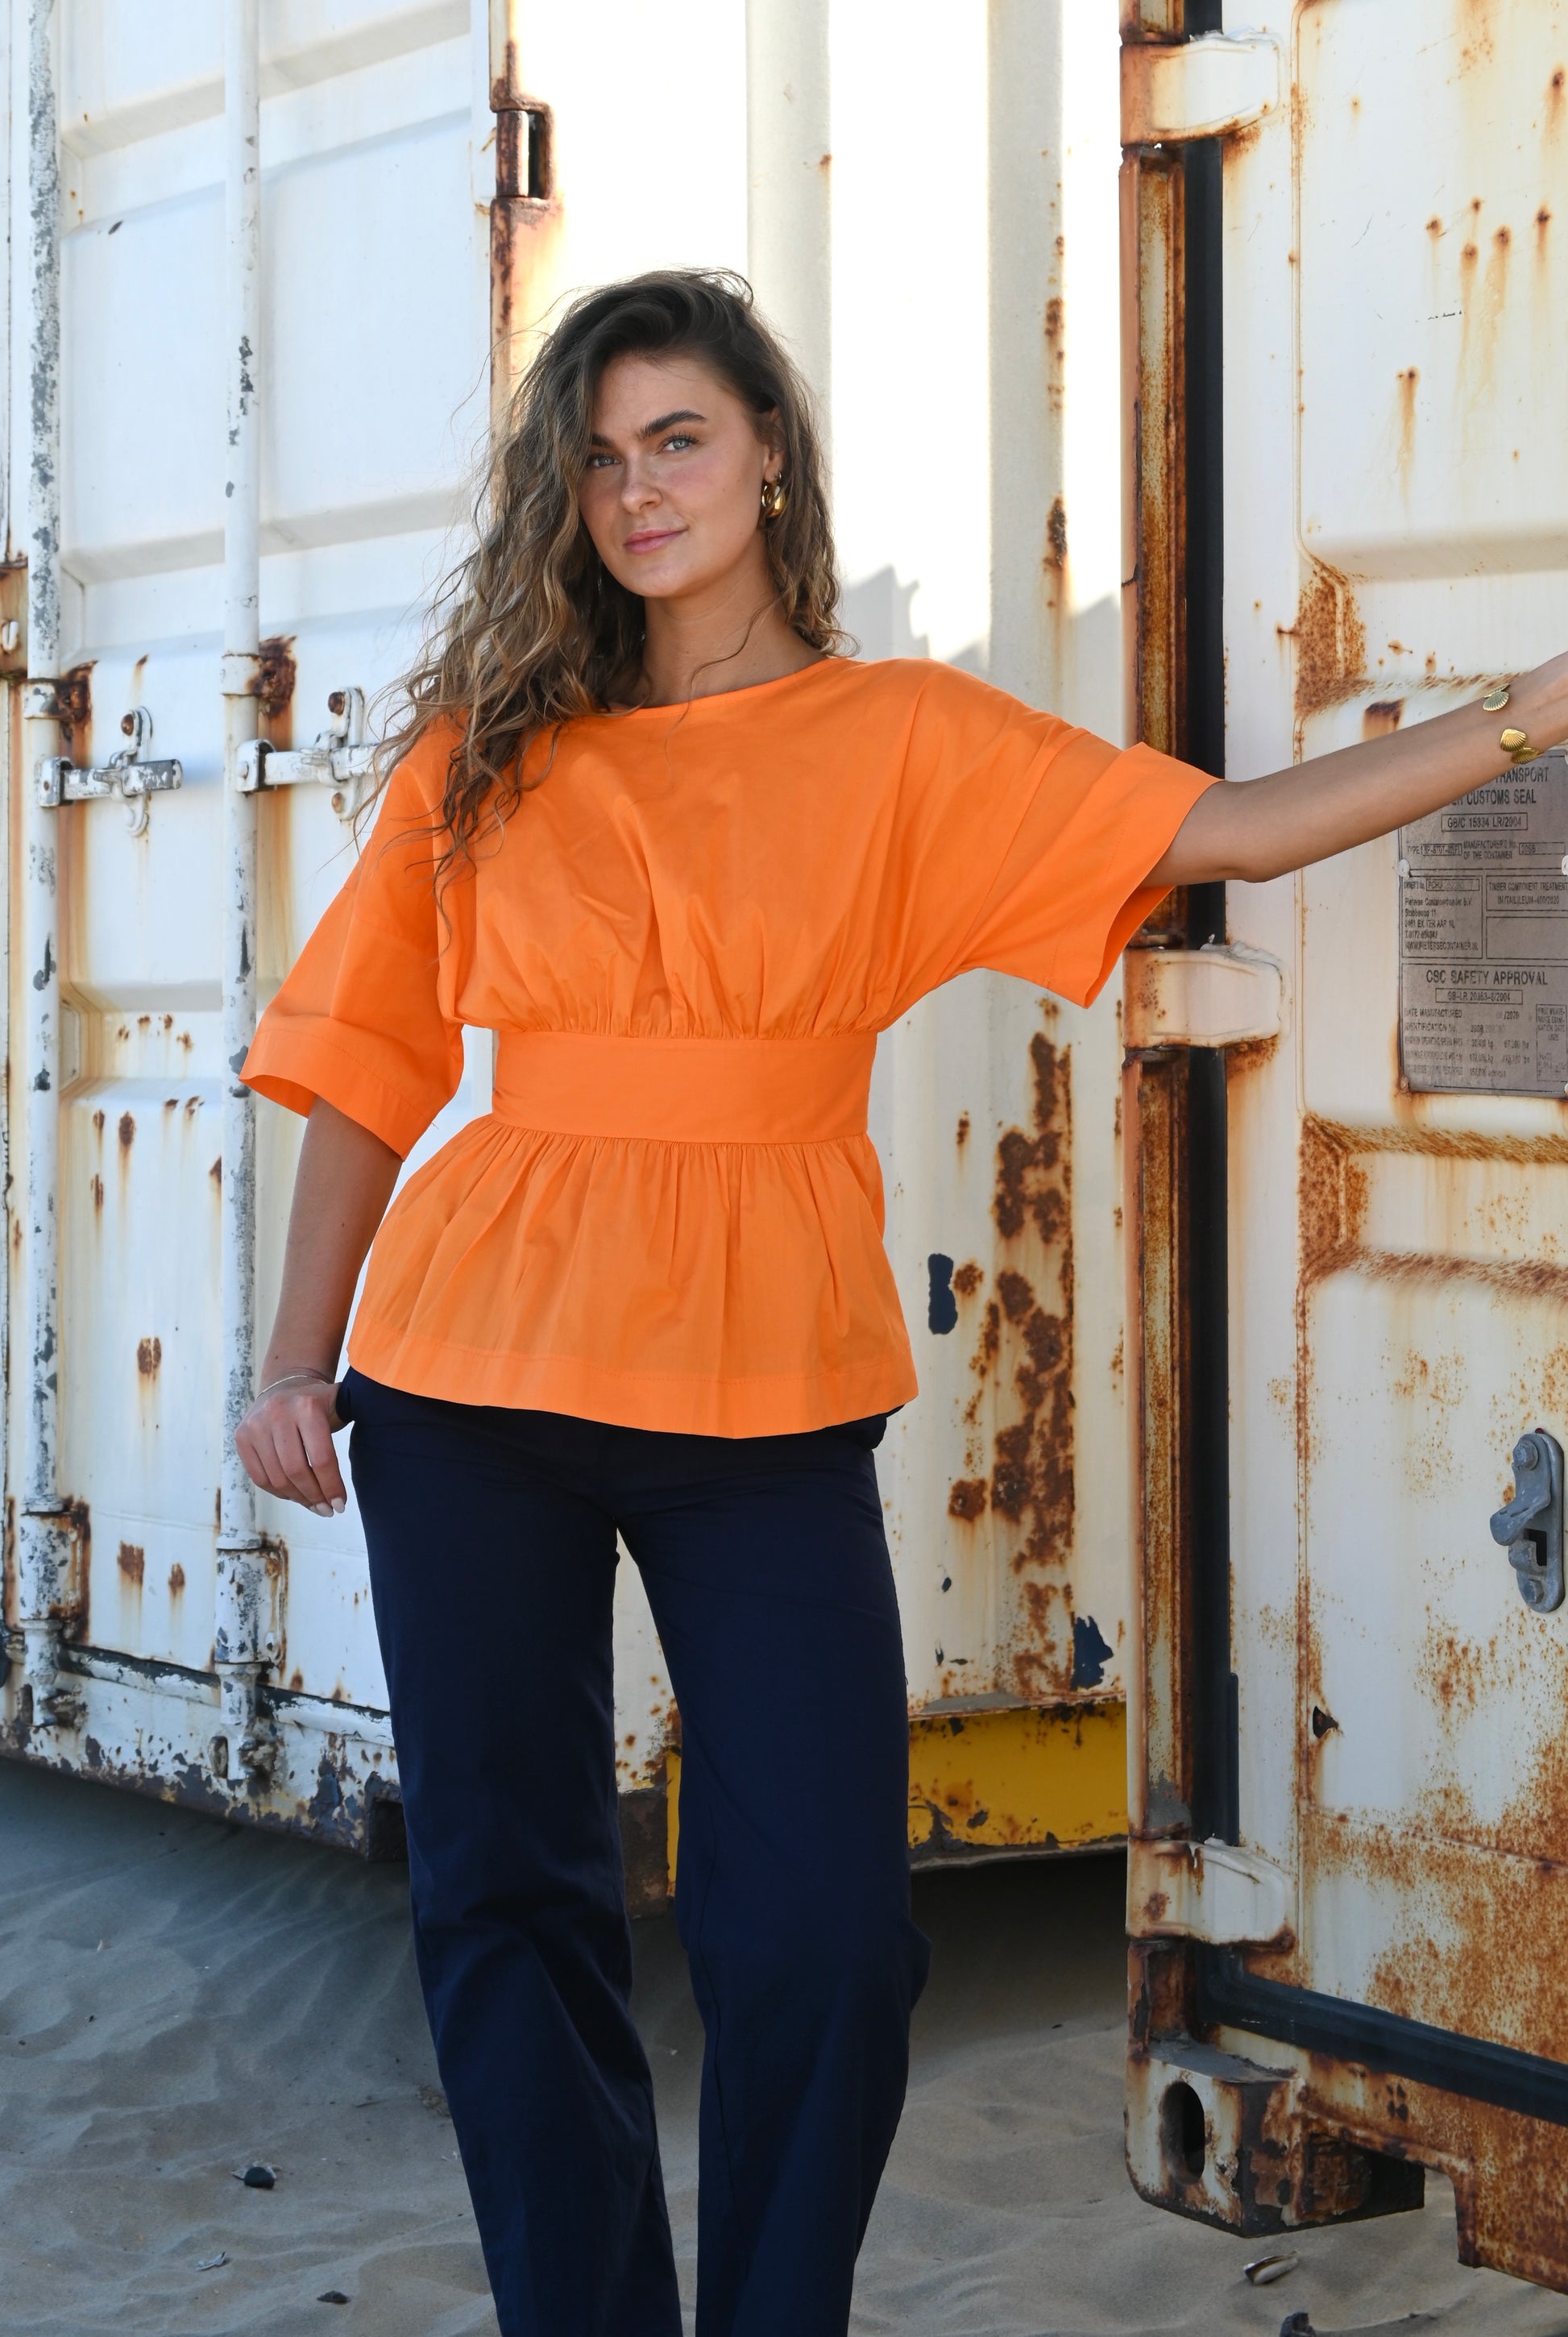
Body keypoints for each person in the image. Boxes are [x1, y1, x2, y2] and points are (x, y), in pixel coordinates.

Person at [234, 268, 1568, 2337]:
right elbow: (366, 1067)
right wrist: (290, 1360)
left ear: (769, 450)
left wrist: (1530, 710)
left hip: (766, 1391)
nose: (635, 487)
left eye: (678, 437)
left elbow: (1216, 827)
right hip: (466, 1382)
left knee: (828, 1939)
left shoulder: (903, 736)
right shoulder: (490, 749)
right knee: (507, 1897)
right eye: (597, 457)